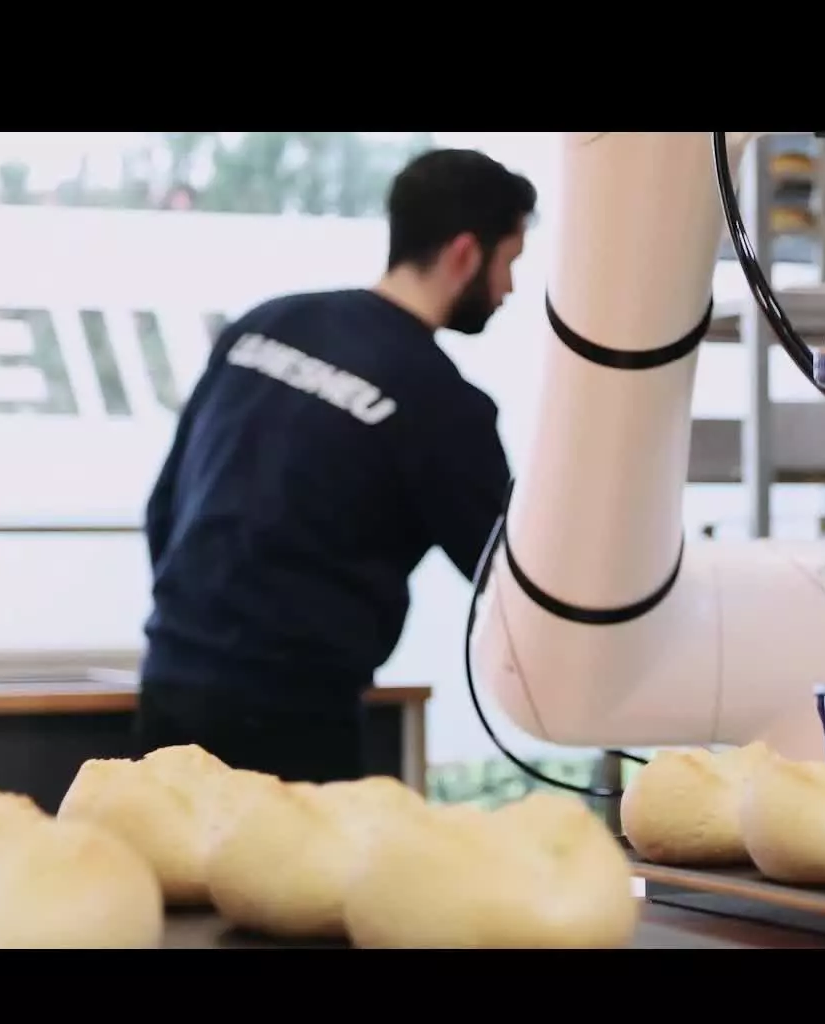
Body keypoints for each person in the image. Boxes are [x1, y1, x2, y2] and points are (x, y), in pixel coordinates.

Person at [137, 148, 534, 783]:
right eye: (510, 262)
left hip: (169, 683)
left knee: (173, 879)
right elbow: (518, 578)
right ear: (465, 253)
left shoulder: (267, 323)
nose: (509, 289)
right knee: (290, 886)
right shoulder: (442, 403)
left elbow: (165, 507)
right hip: (293, 721)